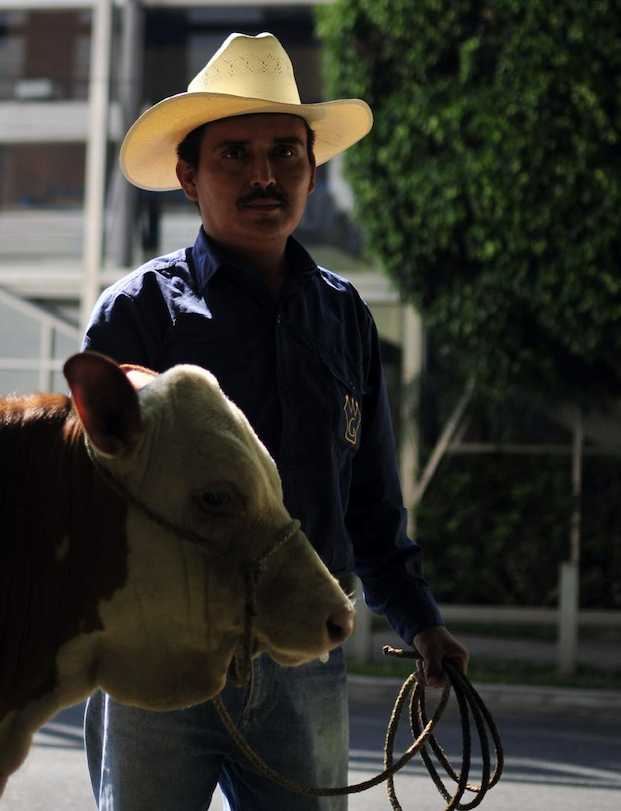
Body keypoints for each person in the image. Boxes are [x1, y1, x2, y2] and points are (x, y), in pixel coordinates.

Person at [81, 32, 469, 811]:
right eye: (234, 154)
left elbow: (368, 500)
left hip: (305, 657)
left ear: (311, 170)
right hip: (158, 658)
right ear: (187, 176)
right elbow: (84, 501)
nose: (264, 174)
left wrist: (421, 621)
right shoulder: (137, 314)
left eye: (284, 153)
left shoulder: (344, 316)